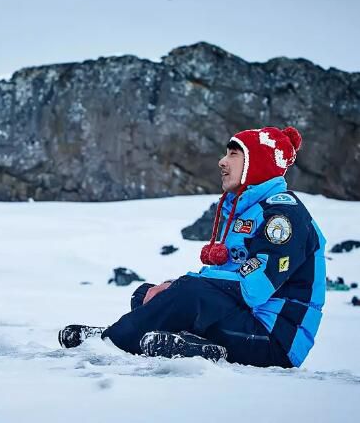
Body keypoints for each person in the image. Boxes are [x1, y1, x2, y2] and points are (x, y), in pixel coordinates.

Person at [58, 126, 326, 368]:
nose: (222, 162)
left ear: (258, 163)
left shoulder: (283, 217)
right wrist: (174, 287)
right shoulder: (248, 210)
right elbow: (223, 283)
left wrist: (184, 286)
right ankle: (192, 346)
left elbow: (253, 288)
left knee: (186, 291)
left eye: (233, 154)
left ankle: (112, 340)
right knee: (146, 294)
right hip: (246, 323)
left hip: (274, 340)